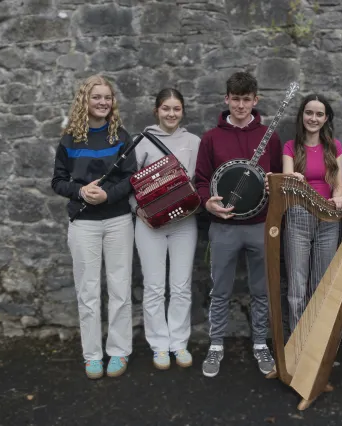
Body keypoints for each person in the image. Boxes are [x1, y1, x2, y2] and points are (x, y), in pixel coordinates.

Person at [194, 71, 283, 378]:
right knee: (220, 290)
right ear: (226, 99)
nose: (241, 106)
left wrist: (274, 186)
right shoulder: (211, 138)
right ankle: (215, 345)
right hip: (224, 226)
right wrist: (207, 202)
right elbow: (201, 180)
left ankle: (261, 343)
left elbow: (278, 178)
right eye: (236, 99)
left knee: (261, 290)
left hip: (260, 225)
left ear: (255, 100)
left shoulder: (269, 137)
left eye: (247, 100)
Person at [51, 75, 137, 379]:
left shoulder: (122, 136)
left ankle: (118, 351)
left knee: (119, 288)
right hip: (83, 224)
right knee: (87, 291)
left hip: (117, 222)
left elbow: (131, 179)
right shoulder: (70, 138)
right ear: (84, 101)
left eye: (107, 97)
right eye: (96, 97)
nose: (102, 102)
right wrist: (80, 192)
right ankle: (92, 355)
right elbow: (58, 181)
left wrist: (107, 195)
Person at [129, 88, 201, 370]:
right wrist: (139, 210)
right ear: (156, 110)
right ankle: (159, 345)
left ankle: (179, 343)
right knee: (154, 286)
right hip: (150, 225)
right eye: (166, 108)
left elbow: (200, 180)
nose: (171, 114)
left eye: (176, 109)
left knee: (181, 286)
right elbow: (129, 186)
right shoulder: (141, 142)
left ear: (183, 111)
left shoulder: (194, 142)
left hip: (184, 222)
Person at [282, 94, 342, 333]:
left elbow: (338, 184)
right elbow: (287, 182)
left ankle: (315, 342)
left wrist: (338, 195)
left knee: (321, 285)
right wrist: (294, 179)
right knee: (296, 289)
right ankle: (297, 341)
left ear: (326, 118)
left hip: (328, 218)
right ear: (302, 116)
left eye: (319, 114)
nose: (313, 118)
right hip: (298, 216)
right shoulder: (290, 147)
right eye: (309, 113)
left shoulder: (334, 147)